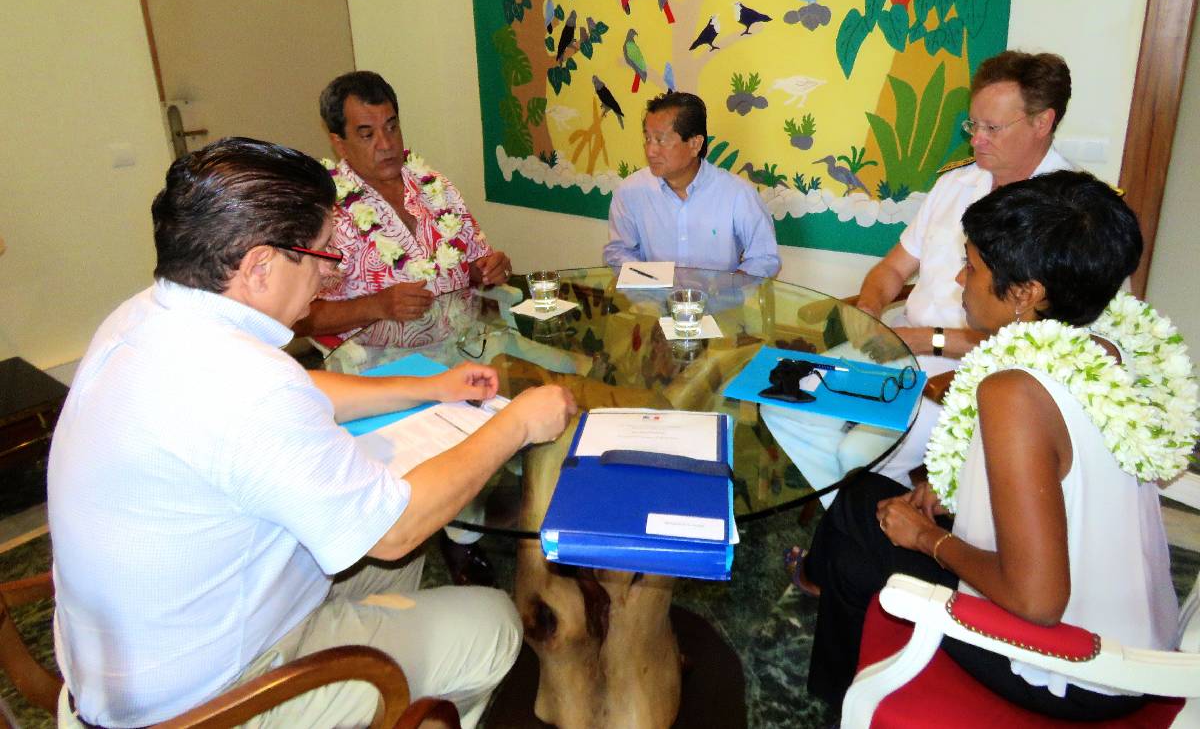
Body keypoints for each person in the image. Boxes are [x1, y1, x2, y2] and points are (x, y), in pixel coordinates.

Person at [48, 138, 576, 729]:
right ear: (259, 266)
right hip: (214, 703)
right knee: (494, 622)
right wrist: (517, 422)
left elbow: (303, 392)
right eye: (322, 254)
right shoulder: (248, 385)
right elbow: (395, 530)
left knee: (386, 564)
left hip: (130, 662)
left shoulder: (146, 315)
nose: (332, 273)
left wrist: (429, 388)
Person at [801, 171, 1192, 721]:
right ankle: (845, 682)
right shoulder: (1100, 344)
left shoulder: (1013, 390)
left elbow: (1037, 600)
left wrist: (928, 540)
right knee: (864, 503)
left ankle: (845, 703)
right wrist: (951, 488)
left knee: (856, 519)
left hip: (1070, 667)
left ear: (1027, 294)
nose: (961, 276)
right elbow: (1067, 482)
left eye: (975, 266)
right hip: (1140, 639)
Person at [770, 51, 1076, 505]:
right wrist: (871, 310)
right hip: (900, 343)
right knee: (784, 404)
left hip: (973, 371)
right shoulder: (957, 185)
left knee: (859, 453)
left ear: (1042, 122)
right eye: (973, 126)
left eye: (993, 128)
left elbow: (1050, 344)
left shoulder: (1069, 211)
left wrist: (925, 340)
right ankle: (852, 524)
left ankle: (859, 532)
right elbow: (893, 268)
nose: (978, 141)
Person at [294, 70, 512, 349]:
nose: (386, 144)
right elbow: (296, 318)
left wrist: (491, 269)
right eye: (367, 134)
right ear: (339, 144)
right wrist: (376, 306)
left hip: (465, 348)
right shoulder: (324, 214)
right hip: (382, 370)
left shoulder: (437, 188)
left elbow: (474, 267)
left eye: (391, 127)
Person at [603, 91, 781, 278]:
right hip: (654, 304)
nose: (651, 151)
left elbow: (765, 259)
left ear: (695, 144)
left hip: (718, 305)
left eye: (660, 140)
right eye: (647, 139)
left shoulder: (737, 193)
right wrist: (657, 281)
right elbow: (617, 253)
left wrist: (725, 287)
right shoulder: (630, 191)